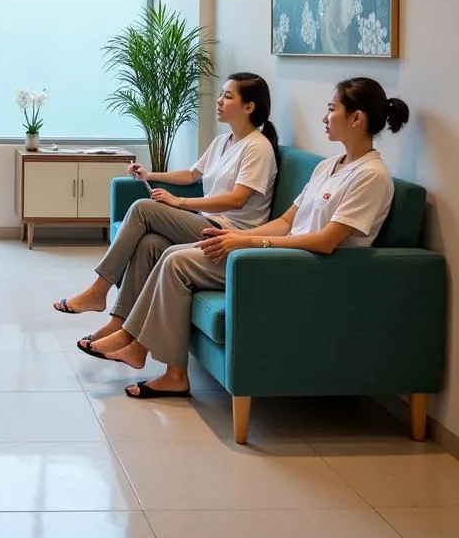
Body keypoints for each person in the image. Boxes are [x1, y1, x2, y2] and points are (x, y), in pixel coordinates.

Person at [88, 77, 409, 399]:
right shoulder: (329, 166)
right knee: (160, 247)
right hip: (278, 255)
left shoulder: (371, 177)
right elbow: (286, 221)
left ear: (356, 118)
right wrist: (236, 236)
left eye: (331, 109)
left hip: (307, 268)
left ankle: (153, 357)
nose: (325, 118)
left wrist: (248, 242)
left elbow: (326, 241)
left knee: (176, 261)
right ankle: (145, 351)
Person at [53, 73, 280, 352]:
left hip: (228, 235)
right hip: (205, 223)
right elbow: (191, 174)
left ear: (249, 107)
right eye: (221, 94)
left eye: (227, 96)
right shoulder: (223, 141)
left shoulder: (258, 148)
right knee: (150, 244)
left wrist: (180, 203)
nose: (219, 101)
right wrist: (150, 173)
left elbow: (237, 199)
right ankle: (119, 323)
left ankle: (99, 290)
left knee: (142, 209)